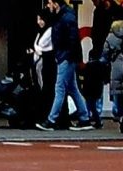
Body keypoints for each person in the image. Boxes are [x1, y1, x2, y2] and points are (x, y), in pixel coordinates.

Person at [38, 0, 91, 128]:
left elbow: (71, 39)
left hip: (66, 57)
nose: (48, 6)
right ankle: (84, 117)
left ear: (56, 3)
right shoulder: (64, 16)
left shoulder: (65, 17)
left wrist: (64, 56)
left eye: (50, 3)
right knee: (73, 89)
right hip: (67, 57)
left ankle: (51, 120)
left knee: (60, 88)